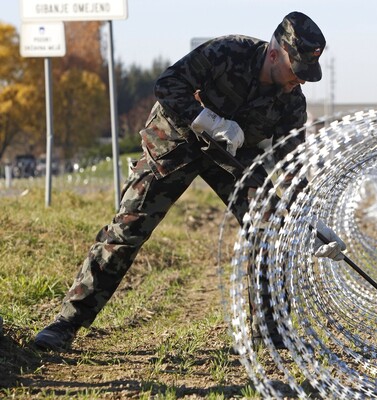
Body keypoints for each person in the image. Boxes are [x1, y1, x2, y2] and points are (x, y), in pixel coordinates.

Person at [34, 11, 346, 351]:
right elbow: (167, 86)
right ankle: (66, 322)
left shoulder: (291, 99)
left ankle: (270, 333)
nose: (298, 80)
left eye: (304, 75)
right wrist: (209, 120)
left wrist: (309, 221)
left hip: (231, 157)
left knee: (271, 225)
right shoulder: (227, 52)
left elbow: (292, 162)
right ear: (274, 53)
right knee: (128, 230)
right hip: (176, 142)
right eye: (294, 70)